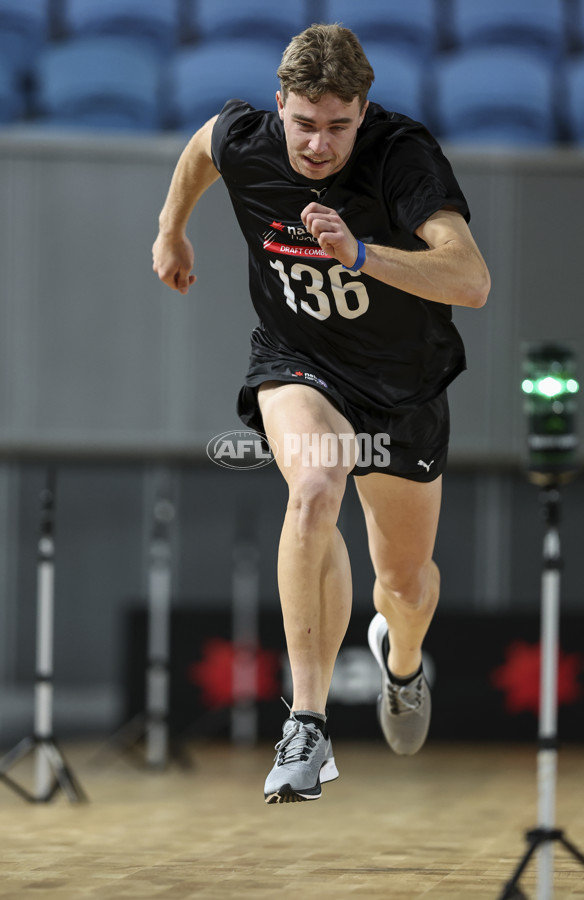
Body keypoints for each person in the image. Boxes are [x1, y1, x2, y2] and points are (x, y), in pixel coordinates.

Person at [152, 23, 490, 804]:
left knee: (404, 587)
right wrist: (172, 230)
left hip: (403, 386)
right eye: (304, 123)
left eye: (338, 126)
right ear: (281, 108)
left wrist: (363, 255)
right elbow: (202, 147)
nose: (317, 145)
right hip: (297, 361)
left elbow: (471, 281)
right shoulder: (249, 135)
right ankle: (307, 724)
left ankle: (400, 664)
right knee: (314, 485)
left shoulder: (403, 157)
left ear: (363, 112)